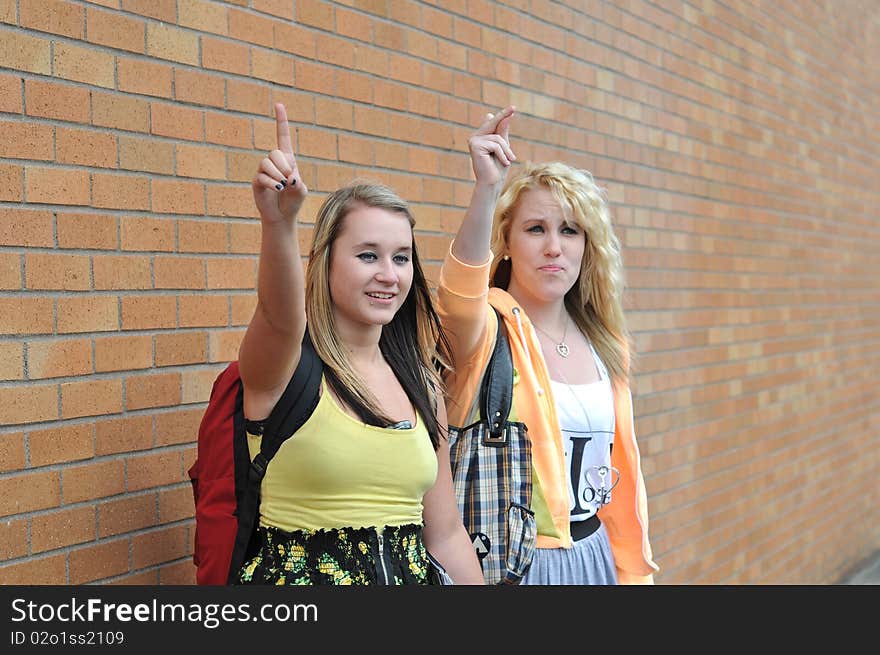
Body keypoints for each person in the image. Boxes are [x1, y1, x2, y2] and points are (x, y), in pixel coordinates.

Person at [235, 102, 484, 585]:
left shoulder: (422, 386)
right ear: (325, 262)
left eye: (402, 258)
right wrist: (278, 224)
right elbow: (278, 316)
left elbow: (446, 534)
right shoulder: (284, 370)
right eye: (368, 255)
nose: (389, 276)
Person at [436, 106, 659, 584]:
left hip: (594, 556)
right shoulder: (488, 328)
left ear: (587, 246)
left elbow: (618, 480)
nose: (554, 247)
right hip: (511, 562)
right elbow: (456, 300)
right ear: (508, 243)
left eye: (570, 230)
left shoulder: (606, 342)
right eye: (536, 229)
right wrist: (486, 189)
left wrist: (631, 574)